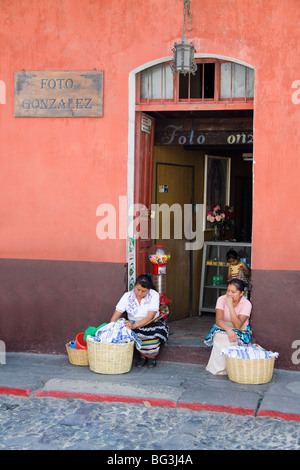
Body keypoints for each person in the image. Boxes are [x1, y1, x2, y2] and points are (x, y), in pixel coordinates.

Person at [110, 274, 169, 368]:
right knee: (134, 334)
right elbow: (116, 315)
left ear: (148, 290)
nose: (140, 293)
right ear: (134, 286)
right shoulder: (127, 296)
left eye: (143, 291)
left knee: (153, 334)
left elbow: (150, 317)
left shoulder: (154, 295)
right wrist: (111, 327)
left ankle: (151, 357)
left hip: (152, 322)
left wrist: (135, 326)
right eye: (138, 289)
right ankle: (142, 357)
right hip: (133, 322)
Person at [205, 279, 252, 375]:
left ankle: (231, 369)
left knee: (232, 339)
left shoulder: (246, 304)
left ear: (241, 293)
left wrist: (230, 306)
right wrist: (229, 330)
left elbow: (238, 325)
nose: (229, 294)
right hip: (223, 326)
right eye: (228, 290)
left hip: (241, 329)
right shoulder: (221, 299)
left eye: (233, 292)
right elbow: (218, 320)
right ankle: (218, 369)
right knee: (220, 337)